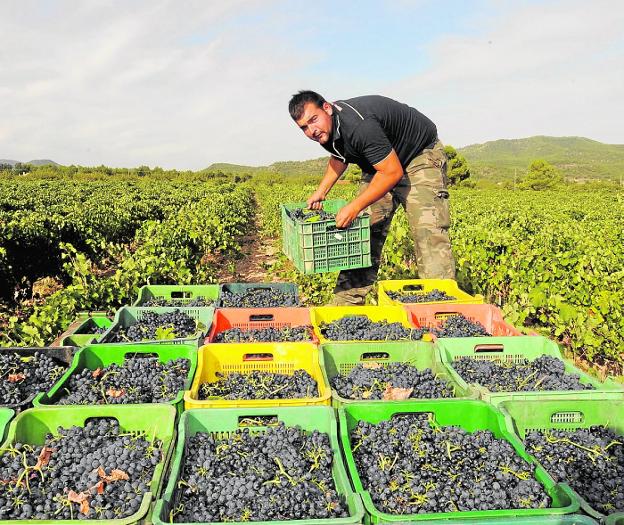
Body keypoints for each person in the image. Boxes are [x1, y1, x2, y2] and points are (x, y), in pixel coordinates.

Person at [288, 91, 456, 305]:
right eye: (304, 127)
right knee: (363, 232)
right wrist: (322, 191)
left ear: (327, 108)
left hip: (418, 155)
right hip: (381, 163)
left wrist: (355, 206)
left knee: (427, 231)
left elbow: (392, 172)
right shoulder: (324, 131)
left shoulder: (359, 126)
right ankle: (346, 302)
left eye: (313, 119)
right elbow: (339, 157)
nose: (311, 130)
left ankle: (441, 306)